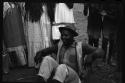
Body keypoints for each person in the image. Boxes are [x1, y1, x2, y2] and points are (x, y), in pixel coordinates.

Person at [34, 23, 104, 83]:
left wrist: (92, 55)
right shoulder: (60, 45)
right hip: (59, 76)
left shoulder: (80, 46)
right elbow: (47, 51)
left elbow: (101, 51)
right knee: (47, 59)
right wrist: (40, 53)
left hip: (74, 78)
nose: (63, 37)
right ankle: (41, 80)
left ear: (72, 36)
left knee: (62, 67)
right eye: (62, 35)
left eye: (66, 35)